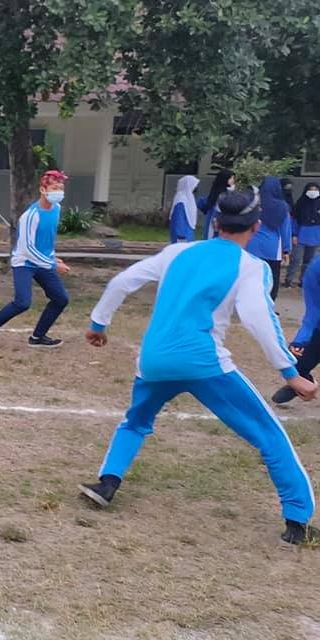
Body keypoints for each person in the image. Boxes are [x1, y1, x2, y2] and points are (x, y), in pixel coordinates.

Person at [79, 190, 320, 546]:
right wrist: (290, 373)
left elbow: (122, 282)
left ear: (216, 224)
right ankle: (297, 521)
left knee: (135, 422)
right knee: (268, 434)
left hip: (155, 360)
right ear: (256, 227)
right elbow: (258, 319)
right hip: (204, 363)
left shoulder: (178, 251)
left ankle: (107, 483)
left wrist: (98, 324)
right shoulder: (250, 267)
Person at [0, 170, 72, 350]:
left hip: (43, 261)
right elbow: (28, 249)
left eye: (61, 187)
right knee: (23, 302)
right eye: (54, 187)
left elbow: (47, 238)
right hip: (24, 262)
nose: (59, 191)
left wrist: (52, 257)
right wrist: (53, 264)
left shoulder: (57, 209)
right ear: (43, 190)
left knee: (60, 298)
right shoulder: (30, 216)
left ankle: (37, 337)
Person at [276, 257, 320, 405]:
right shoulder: (315, 269)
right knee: (295, 363)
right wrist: (300, 341)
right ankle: (303, 381)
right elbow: (313, 310)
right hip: (318, 328)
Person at [246, 177, 292, 300]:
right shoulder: (282, 207)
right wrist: (286, 250)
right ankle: (268, 303)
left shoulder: (254, 203)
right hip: (272, 247)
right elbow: (285, 230)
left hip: (252, 245)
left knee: (251, 276)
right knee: (272, 276)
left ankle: (250, 301)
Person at [285, 182, 320, 288]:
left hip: (315, 236)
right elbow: (294, 220)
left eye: (315, 189)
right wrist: (294, 234)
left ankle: (303, 280)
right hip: (301, 234)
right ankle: (289, 279)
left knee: (309, 261)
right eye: (311, 189)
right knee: (296, 259)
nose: (313, 192)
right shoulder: (300, 203)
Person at [201, 169, 236, 240]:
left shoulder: (221, 191)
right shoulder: (221, 193)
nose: (233, 180)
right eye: (231, 178)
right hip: (216, 222)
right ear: (225, 179)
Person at [168, 175, 201, 243]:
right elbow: (179, 218)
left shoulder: (188, 197)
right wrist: (181, 236)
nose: (195, 187)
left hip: (187, 231)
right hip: (182, 234)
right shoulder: (181, 199)